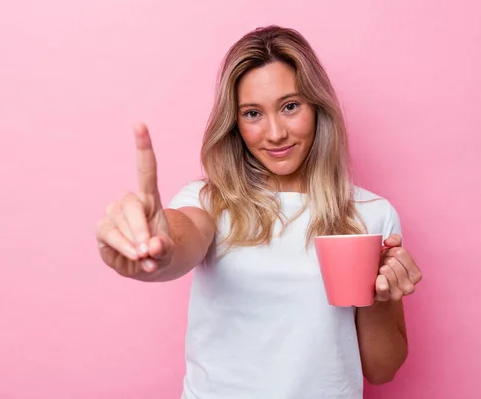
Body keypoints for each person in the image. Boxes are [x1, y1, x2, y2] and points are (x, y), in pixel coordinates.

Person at [95, 25, 422, 399]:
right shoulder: (208, 201)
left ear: (318, 107)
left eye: (290, 106)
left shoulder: (372, 214)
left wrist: (381, 296)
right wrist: (157, 244)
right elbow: (183, 237)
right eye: (253, 113)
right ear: (234, 124)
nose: (275, 133)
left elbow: (382, 370)